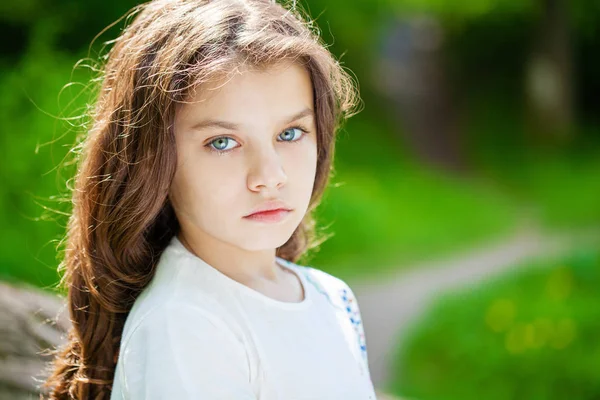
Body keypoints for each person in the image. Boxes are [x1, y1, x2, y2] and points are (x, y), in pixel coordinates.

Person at [41, 0, 375, 399]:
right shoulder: (183, 326)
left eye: (289, 134)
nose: (269, 177)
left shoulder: (332, 298)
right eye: (223, 142)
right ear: (154, 159)